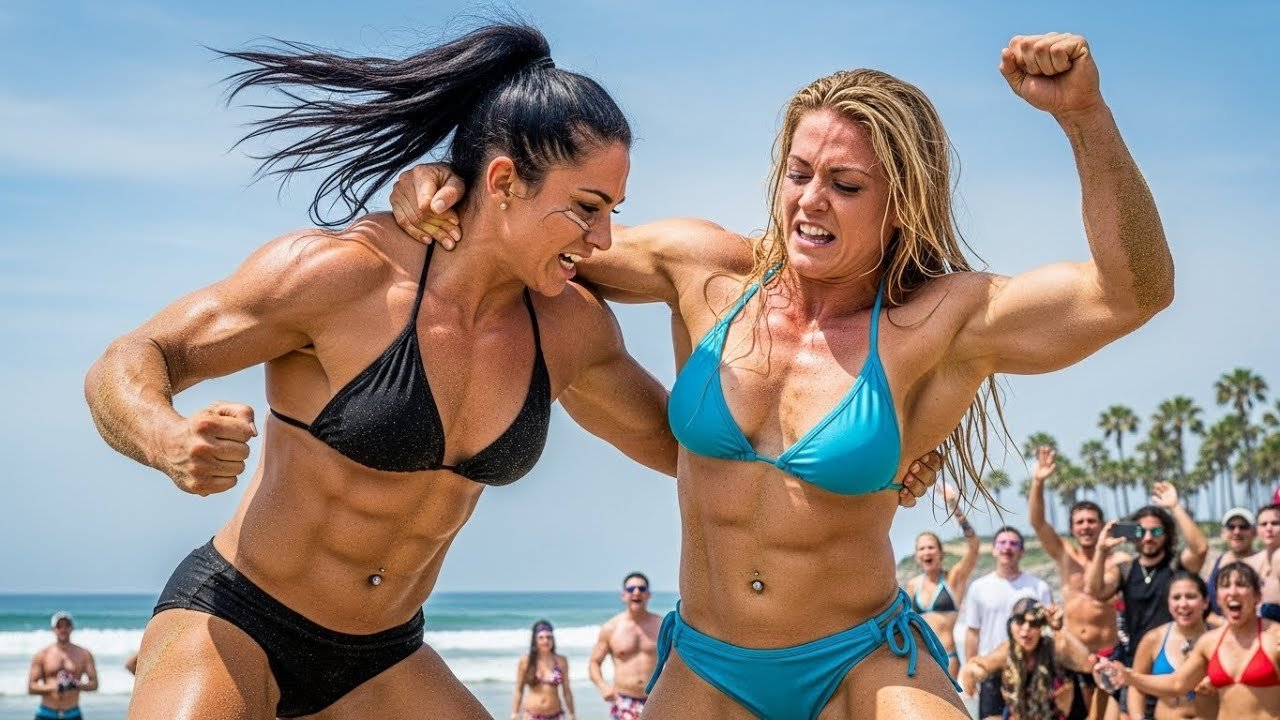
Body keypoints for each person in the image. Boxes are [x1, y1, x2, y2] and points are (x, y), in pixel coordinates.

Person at [82, 23, 937, 720]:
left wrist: (873, 461)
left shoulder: (567, 330)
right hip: (239, 620)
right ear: (501, 180)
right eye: (588, 210)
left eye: (613, 214)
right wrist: (165, 436)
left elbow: (706, 453)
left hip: (383, 657)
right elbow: (134, 358)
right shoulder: (341, 276)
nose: (604, 242)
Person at [394, 31, 1174, 718]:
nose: (811, 201)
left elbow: (1132, 292)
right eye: (799, 173)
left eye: (846, 185)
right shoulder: (703, 271)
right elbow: (535, 233)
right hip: (708, 663)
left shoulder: (940, 321)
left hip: (858, 662)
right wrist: (443, 187)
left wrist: (1085, 119)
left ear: (899, 202)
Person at [1098, 562, 1280, 720]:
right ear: (1217, 598)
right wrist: (1130, 677)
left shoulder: (1275, 636)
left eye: (1241, 585)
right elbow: (1177, 684)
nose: (1232, 591)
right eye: (1225, 586)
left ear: (1257, 596)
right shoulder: (1210, 642)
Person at [1087, 485, 1210, 718]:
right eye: (1141, 532)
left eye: (1155, 532)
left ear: (1167, 534)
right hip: (1136, 664)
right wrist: (1101, 551)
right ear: (1132, 535)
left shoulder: (1177, 566)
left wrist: (1175, 507)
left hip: (1174, 660)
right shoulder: (1126, 569)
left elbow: (1201, 548)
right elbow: (1096, 591)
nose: (1147, 538)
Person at [1029, 445, 1125, 719]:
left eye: (1091, 521)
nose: (1085, 526)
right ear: (1072, 528)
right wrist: (1038, 481)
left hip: (1108, 653)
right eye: (1080, 522)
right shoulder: (1064, 555)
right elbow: (1037, 523)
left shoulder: (1115, 561)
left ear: (1102, 525)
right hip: (1070, 654)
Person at [962, 526, 1055, 719]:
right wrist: (971, 670)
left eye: (1014, 543)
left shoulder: (1039, 587)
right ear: (994, 549)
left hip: (1032, 671)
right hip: (992, 671)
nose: (1007, 548)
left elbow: (1049, 630)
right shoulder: (978, 588)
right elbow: (972, 632)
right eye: (1002, 543)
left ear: (1021, 551)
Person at [959, 599, 1096, 720]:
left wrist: (1059, 629)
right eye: (1020, 621)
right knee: (991, 683)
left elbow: (1087, 665)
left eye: (1033, 624)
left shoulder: (1053, 647)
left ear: (1041, 627)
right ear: (1011, 625)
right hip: (1020, 714)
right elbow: (975, 669)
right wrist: (972, 676)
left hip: (1054, 714)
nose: (1025, 630)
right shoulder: (1006, 651)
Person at [903, 485, 979, 677]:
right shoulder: (913, 585)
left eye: (931, 547)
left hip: (948, 656)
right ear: (916, 555)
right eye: (922, 549)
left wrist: (955, 506)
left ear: (940, 553)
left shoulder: (953, 579)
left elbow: (974, 547)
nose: (926, 552)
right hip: (919, 658)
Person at [1125, 572, 1218, 720]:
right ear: (1168, 603)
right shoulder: (1153, 639)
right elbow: (1136, 685)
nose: (1183, 604)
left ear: (1205, 601)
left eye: (1190, 596)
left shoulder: (1219, 638)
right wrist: (1138, 717)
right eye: (1176, 598)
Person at [587, 572, 661, 720]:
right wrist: (603, 687)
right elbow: (594, 663)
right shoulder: (611, 628)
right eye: (631, 589)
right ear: (623, 595)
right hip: (624, 702)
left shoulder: (661, 625)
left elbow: (679, 660)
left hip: (656, 701)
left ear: (648, 594)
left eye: (641, 588)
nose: (636, 592)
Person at [27, 612, 99, 720]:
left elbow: (94, 684)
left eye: (67, 625)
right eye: (59, 626)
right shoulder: (43, 654)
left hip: (73, 713)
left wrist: (76, 685)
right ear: (53, 629)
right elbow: (31, 687)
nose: (63, 629)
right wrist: (54, 687)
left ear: (72, 628)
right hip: (46, 713)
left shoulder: (84, 654)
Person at [512, 621, 576, 720]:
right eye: (541, 637)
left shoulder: (561, 661)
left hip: (556, 716)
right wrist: (515, 713)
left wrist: (572, 714)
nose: (545, 641)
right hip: (531, 716)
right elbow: (519, 690)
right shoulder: (526, 661)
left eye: (549, 637)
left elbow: (566, 691)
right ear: (535, 640)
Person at [1204, 508, 1257, 617]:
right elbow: (1204, 606)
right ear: (1223, 533)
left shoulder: (1265, 561)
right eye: (1231, 527)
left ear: (1254, 532)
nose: (1237, 532)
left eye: (1243, 527)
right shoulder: (1213, 563)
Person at [1245, 504, 1280, 621]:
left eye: (1275, 523)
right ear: (1257, 530)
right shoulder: (1249, 564)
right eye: (1263, 524)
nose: (1269, 528)